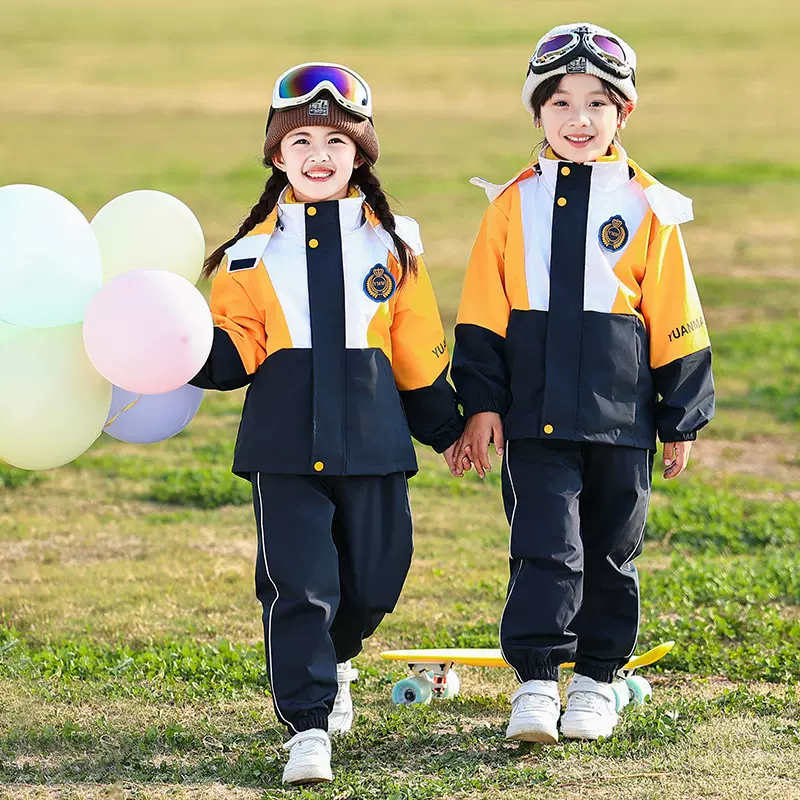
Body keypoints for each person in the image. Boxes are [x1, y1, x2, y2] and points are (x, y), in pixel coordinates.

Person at [191, 62, 463, 785]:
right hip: (283, 450)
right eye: (301, 140)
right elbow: (234, 350)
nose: (319, 156)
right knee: (302, 586)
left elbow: (418, 350)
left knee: (375, 582)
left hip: (375, 446)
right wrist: (183, 348)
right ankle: (309, 725)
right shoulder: (250, 254)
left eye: (336, 142)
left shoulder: (396, 245)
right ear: (277, 155)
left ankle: (339, 658)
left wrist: (448, 428)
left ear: (361, 154)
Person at [451, 24, 714, 743]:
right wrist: (480, 404)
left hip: (622, 424)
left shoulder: (650, 207)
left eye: (598, 103)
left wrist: (681, 414)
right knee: (546, 548)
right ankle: (537, 682)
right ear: (536, 113)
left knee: (608, 554)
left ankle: (598, 680)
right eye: (559, 102)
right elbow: (481, 314)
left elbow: (674, 314)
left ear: (623, 114)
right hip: (533, 419)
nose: (578, 119)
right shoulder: (510, 204)